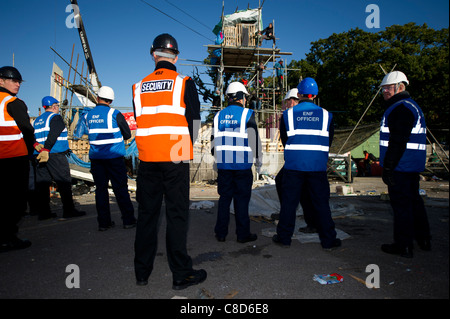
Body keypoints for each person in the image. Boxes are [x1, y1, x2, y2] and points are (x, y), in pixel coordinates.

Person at [132, 33, 206, 290]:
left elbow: (143, 122)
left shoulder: (138, 86)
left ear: (154, 55)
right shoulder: (184, 82)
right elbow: (194, 122)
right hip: (175, 156)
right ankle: (181, 274)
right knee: (176, 215)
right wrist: (185, 146)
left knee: (147, 215)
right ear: (176, 56)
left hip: (147, 158)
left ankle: (141, 273)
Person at [273, 78, 341, 249]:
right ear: (315, 95)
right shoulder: (326, 115)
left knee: (289, 203)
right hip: (317, 166)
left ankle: (284, 237)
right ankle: (329, 240)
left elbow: (285, 139)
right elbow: (329, 139)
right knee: (321, 203)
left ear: (299, 94)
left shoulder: (288, 114)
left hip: (294, 165)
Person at [379, 71, 431, 258]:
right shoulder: (411, 106)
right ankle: (424, 240)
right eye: (383, 88)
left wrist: (388, 167)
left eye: (388, 87)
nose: (385, 91)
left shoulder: (400, 108)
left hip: (401, 166)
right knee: (414, 203)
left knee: (401, 207)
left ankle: (403, 245)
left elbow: (398, 140)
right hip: (410, 165)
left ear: (401, 86)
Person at [76, 86, 136, 231]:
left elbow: (78, 133)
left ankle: (104, 223)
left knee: (101, 190)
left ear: (97, 98)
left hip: (96, 159)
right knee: (120, 189)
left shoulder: (87, 115)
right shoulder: (114, 114)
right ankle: (128, 220)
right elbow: (127, 135)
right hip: (114, 158)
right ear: (111, 100)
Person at [211, 81, 262, 243]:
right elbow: (254, 140)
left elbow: (213, 142)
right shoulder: (248, 114)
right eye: (245, 97)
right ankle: (242, 235)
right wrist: (258, 159)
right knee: (241, 201)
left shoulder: (218, 116)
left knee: (224, 199)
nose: (246, 100)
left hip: (224, 166)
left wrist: (217, 158)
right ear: (240, 97)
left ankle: (221, 233)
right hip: (242, 167)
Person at [0, 66, 44, 253]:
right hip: (13, 159)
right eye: (13, 81)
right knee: (15, 202)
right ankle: (8, 238)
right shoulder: (13, 102)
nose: (17, 84)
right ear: (1, 80)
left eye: (19, 82)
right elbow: (27, 130)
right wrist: (34, 148)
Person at [33, 96, 86, 220]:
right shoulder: (55, 118)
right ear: (55, 106)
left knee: (43, 184)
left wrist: (41, 149)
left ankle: (44, 213)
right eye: (57, 106)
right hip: (54, 154)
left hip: (39, 155)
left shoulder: (37, 120)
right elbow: (53, 134)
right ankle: (69, 210)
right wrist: (47, 149)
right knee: (64, 182)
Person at [274, 88, 318, 234]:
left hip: (299, 160)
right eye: (287, 102)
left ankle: (307, 222)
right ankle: (307, 221)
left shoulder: (291, 115)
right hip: (308, 159)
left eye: (289, 101)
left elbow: (285, 139)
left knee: (303, 191)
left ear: (296, 100)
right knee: (283, 182)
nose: (287, 104)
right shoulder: (313, 114)